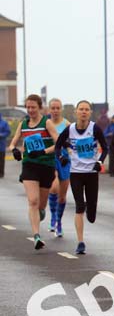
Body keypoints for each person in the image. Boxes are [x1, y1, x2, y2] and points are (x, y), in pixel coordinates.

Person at [54, 100, 108, 255]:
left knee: (91, 215)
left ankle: (90, 209)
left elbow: (106, 147)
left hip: (91, 173)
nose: (83, 112)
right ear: (76, 112)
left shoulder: (94, 128)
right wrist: (62, 157)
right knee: (79, 206)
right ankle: (80, 242)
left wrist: (99, 161)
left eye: (86, 109)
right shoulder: (70, 129)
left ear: (90, 112)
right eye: (81, 109)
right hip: (76, 173)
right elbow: (58, 146)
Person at [8, 94, 60, 249]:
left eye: (33, 107)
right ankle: (37, 236)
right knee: (32, 201)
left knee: (41, 205)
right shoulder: (23, 124)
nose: (30, 110)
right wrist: (15, 150)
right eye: (28, 107)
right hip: (29, 165)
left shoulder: (47, 123)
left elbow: (59, 143)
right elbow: (13, 143)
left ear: (39, 107)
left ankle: (41, 212)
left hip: (46, 166)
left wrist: (44, 151)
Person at [47, 98, 70, 237]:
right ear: (49, 110)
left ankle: (59, 222)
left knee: (62, 196)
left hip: (64, 160)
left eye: (57, 108)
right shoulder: (46, 124)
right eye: (53, 108)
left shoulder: (66, 124)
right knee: (53, 188)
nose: (55, 111)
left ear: (61, 109)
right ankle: (53, 217)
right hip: (51, 159)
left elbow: (72, 141)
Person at [0, 112, 10, 178]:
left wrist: (1, 135)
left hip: (1, 145)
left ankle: (1, 173)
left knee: (1, 160)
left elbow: (8, 132)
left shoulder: (4, 123)